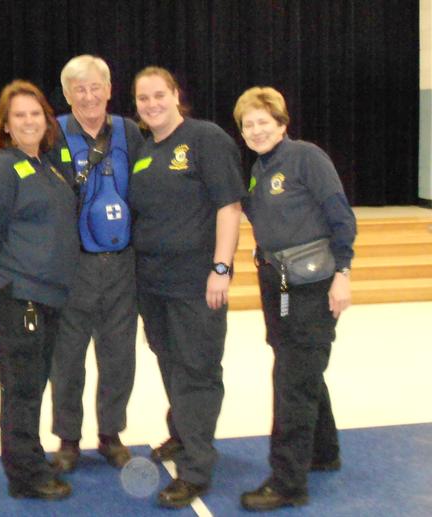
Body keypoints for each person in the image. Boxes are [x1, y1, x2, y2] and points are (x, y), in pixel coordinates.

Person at [233, 86, 356, 511]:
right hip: (277, 283)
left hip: (312, 285)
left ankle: (288, 482)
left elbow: (341, 216)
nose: (255, 131)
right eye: (248, 125)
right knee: (301, 371)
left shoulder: (306, 157)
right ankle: (324, 452)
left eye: (263, 123)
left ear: (282, 124)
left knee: (291, 382)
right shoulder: (259, 168)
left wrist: (343, 273)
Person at [130, 66, 244, 509]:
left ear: (176, 94)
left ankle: (197, 469)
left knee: (197, 370)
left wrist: (221, 267)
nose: (152, 104)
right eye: (143, 98)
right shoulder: (143, 150)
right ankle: (181, 435)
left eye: (159, 95)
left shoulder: (205, 138)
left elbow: (229, 207)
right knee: (170, 361)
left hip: (197, 282)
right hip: (153, 284)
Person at [0, 80, 79, 500]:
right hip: (18, 296)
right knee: (22, 387)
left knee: (31, 383)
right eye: (20, 115)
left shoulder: (46, 164)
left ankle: (28, 456)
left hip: (47, 295)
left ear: (46, 120)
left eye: (36, 113)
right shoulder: (0, 168)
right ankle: (25, 477)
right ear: (6, 125)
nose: (29, 121)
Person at [48, 55, 144, 472]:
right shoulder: (51, 134)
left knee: (119, 353)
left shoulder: (132, 133)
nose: (88, 96)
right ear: (67, 94)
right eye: (78, 89)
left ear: (109, 89)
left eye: (95, 87)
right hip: (73, 266)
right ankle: (68, 439)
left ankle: (111, 434)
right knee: (66, 356)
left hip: (122, 263)